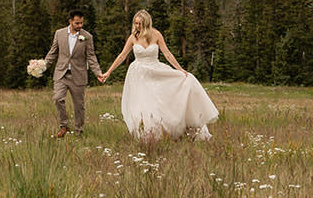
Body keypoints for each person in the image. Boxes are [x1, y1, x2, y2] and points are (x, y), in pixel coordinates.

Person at [100, 10, 219, 141]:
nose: (137, 26)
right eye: (135, 23)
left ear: (146, 23)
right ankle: (147, 136)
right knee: (143, 105)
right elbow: (122, 56)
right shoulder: (133, 37)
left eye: (139, 23)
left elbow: (167, 54)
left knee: (162, 102)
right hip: (139, 75)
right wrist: (109, 72)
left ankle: (170, 132)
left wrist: (180, 69)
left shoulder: (156, 35)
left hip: (155, 71)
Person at [42, 9, 104, 138]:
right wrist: (42, 66)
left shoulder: (87, 37)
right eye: (77, 23)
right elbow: (52, 52)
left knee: (79, 106)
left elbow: (91, 56)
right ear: (70, 21)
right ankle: (64, 125)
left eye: (81, 23)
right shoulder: (59, 34)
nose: (80, 25)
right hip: (61, 73)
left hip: (78, 75)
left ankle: (79, 132)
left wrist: (98, 72)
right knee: (58, 98)